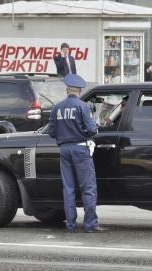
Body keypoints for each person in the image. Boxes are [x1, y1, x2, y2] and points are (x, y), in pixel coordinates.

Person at [48, 74, 100, 233]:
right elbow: (92, 130)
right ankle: (90, 225)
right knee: (87, 187)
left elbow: (51, 132)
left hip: (64, 150)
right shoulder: (83, 106)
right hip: (80, 149)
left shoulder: (57, 108)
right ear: (79, 90)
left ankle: (70, 225)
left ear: (67, 90)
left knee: (68, 189)